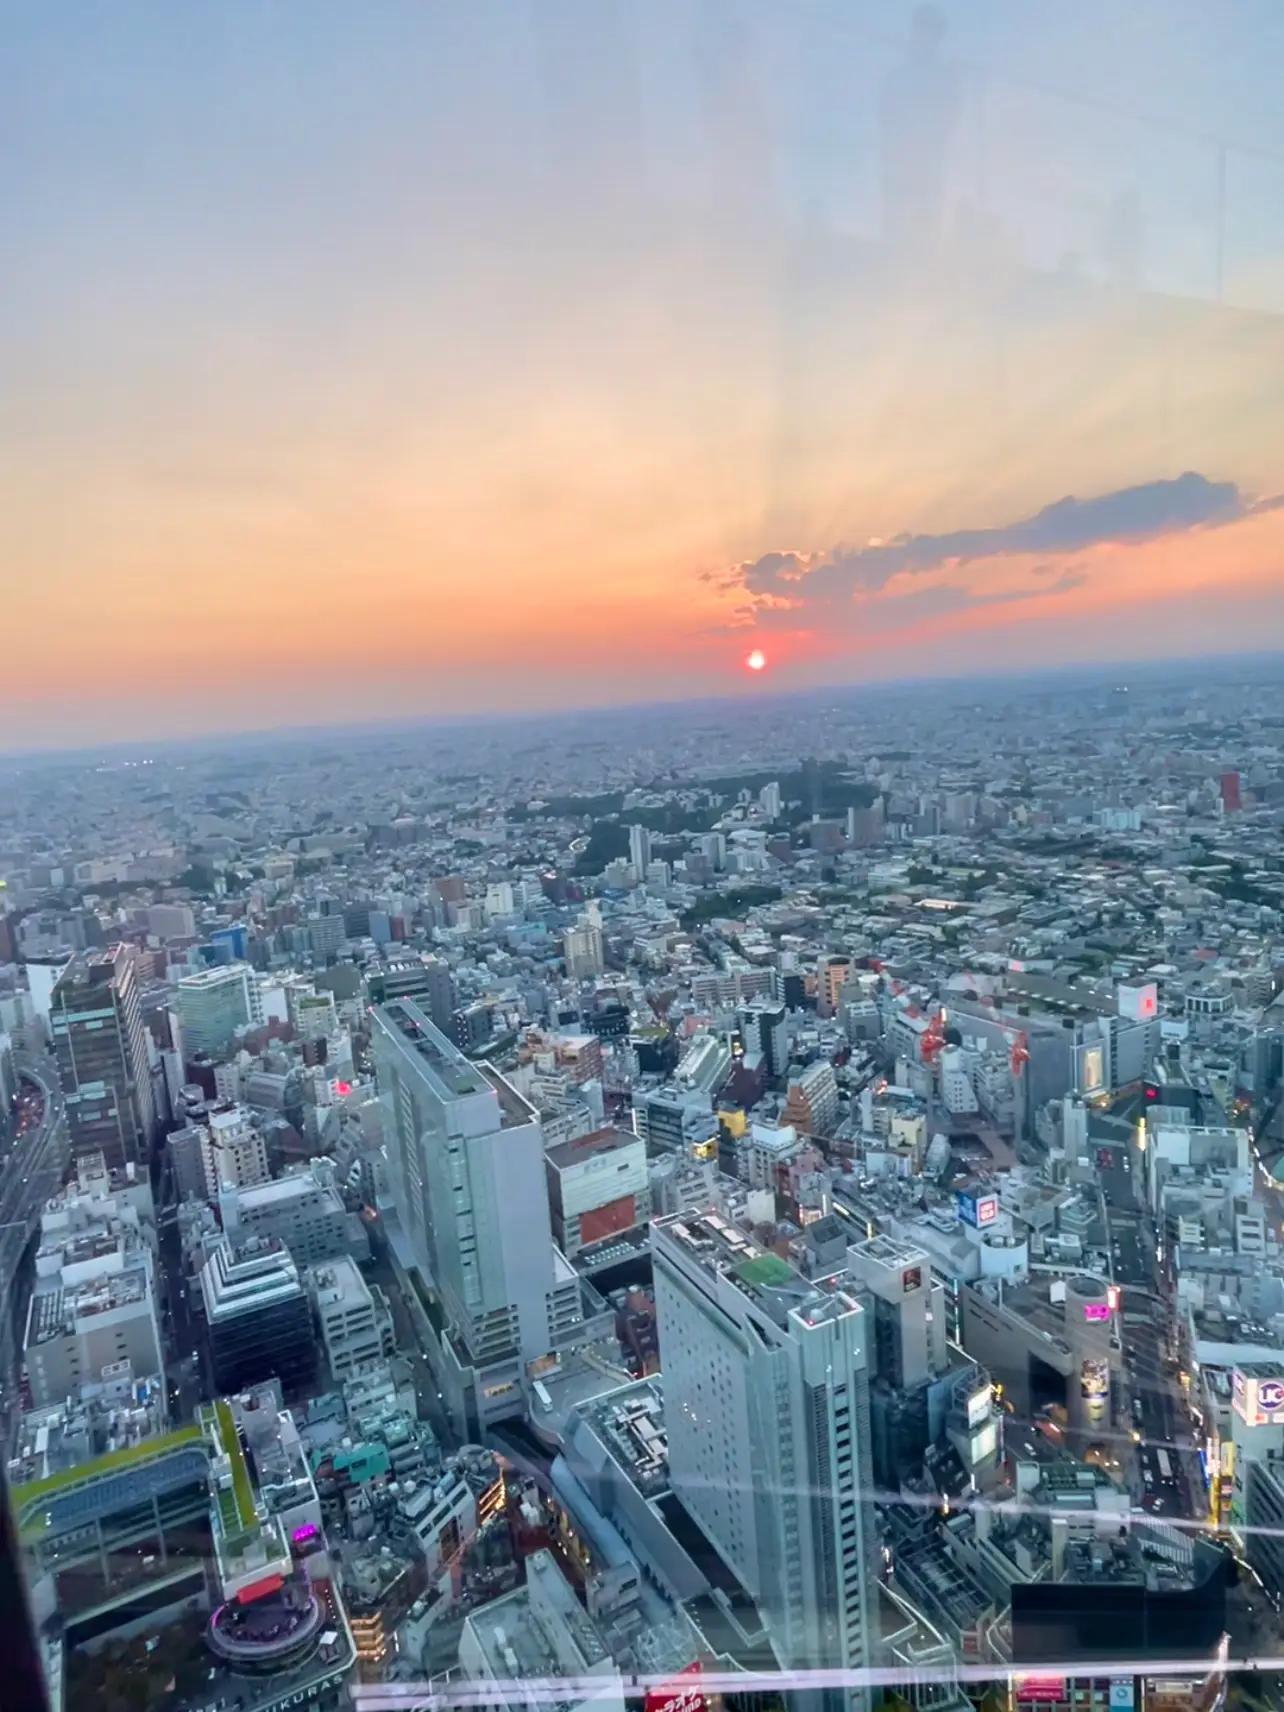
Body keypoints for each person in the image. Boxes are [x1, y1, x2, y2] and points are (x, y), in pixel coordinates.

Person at [879, 5, 963, 255]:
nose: (924, 36)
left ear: (937, 37)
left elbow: (951, 111)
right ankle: (892, 254)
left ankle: (922, 258)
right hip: (899, 156)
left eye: (930, 30)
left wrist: (928, 132)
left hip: (926, 156)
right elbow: (884, 111)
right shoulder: (899, 75)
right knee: (896, 212)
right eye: (921, 29)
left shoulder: (944, 76)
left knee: (925, 212)